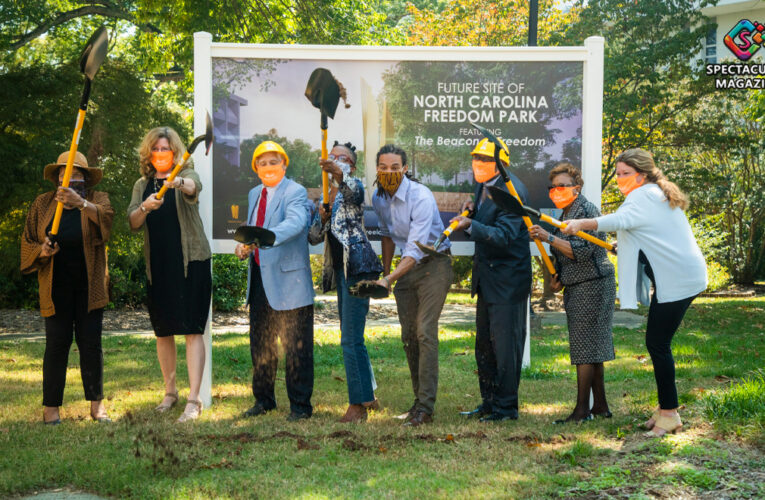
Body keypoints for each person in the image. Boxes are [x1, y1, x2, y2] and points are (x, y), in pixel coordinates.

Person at [562, 148, 707, 436]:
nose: (619, 179)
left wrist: (581, 224)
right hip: (684, 276)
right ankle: (666, 408)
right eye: (617, 173)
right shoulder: (655, 194)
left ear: (641, 174)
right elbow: (648, 233)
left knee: (657, 343)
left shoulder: (645, 194)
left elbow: (619, 221)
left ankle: (670, 414)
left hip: (678, 281)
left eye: (625, 173)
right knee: (658, 342)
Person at [21, 151, 114, 425]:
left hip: (90, 287)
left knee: (91, 345)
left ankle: (97, 406)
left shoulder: (98, 199)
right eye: (64, 173)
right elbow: (27, 242)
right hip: (55, 287)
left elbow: (107, 223)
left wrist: (82, 203)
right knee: (56, 346)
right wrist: (42, 250)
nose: (68, 177)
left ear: (84, 178)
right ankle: (51, 409)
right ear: (57, 177)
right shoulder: (42, 204)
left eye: (74, 173)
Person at [128, 127, 212, 423]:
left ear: (175, 152)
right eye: (156, 150)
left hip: (192, 262)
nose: (161, 154)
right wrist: (144, 207)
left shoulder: (187, 174)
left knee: (192, 329)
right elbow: (133, 222)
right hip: (159, 265)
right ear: (149, 154)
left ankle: (194, 399)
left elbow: (193, 187)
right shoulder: (142, 184)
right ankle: (170, 392)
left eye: (166, 149)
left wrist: (176, 181)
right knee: (163, 331)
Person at [370, 144, 453, 427]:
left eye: (395, 167)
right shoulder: (378, 198)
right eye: (384, 167)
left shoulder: (420, 196)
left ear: (406, 169)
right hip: (405, 268)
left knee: (425, 331)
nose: (389, 172)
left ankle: (426, 409)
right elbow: (387, 235)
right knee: (408, 336)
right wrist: (385, 273)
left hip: (433, 262)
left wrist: (389, 278)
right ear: (377, 169)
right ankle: (419, 402)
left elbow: (416, 250)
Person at [528, 162, 616, 423]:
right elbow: (564, 257)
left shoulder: (585, 211)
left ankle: (581, 410)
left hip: (594, 284)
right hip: (578, 284)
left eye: (562, 186)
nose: (556, 190)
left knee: (584, 348)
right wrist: (559, 279)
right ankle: (599, 406)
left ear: (576, 188)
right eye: (553, 187)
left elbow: (580, 251)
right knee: (592, 347)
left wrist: (548, 237)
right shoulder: (565, 212)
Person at [450, 138, 531, 422]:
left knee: (506, 347)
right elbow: (488, 217)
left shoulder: (512, 191)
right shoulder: (484, 184)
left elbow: (504, 236)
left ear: (501, 164)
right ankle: (490, 403)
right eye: (474, 158)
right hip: (488, 280)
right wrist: (472, 209)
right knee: (485, 346)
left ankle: (506, 409)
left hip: (508, 282)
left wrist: (471, 224)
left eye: (483, 160)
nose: (477, 164)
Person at [235, 141, 315, 422]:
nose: (268, 167)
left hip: (290, 282)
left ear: (284, 164)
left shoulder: (296, 192)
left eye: (274, 162)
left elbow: (296, 223)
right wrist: (245, 246)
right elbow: (251, 231)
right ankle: (263, 400)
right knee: (261, 344)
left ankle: (301, 407)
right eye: (263, 163)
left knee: (297, 347)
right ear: (255, 168)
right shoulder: (255, 193)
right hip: (259, 279)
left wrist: (262, 239)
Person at [308, 141, 383, 423]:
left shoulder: (352, 188)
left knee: (350, 340)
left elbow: (356, 191)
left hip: (358, 267)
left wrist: (339, 174)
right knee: (352, 337)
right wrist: (321, 215)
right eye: (332, 156)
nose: (335, 160)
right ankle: (368, 396)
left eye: (342, 158)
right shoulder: (327, 196)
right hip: (341, 271)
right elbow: (314, 237)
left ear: (350, 165)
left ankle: (357, 406)